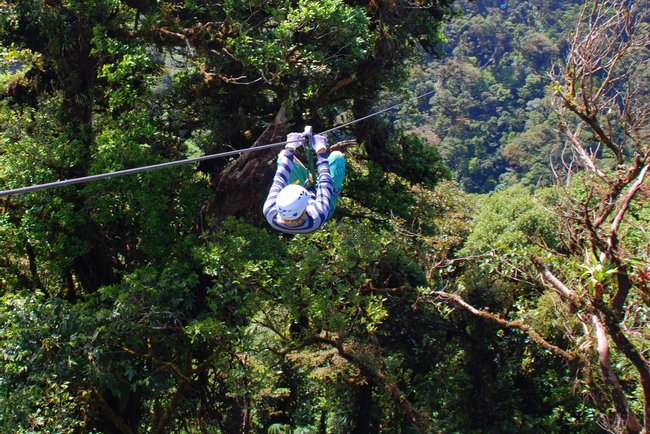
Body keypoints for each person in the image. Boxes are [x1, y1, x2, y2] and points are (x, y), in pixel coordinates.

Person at [263, 131, 346, 234]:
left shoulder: (270, 210)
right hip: (322, 199)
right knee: (337, 156)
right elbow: (325, 182)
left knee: (283, 156)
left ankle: (310, 179)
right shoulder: (317, 215)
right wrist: (320, 151)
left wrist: (290, 147)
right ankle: (313, 181)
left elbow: (280, 178)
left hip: (302, 197)